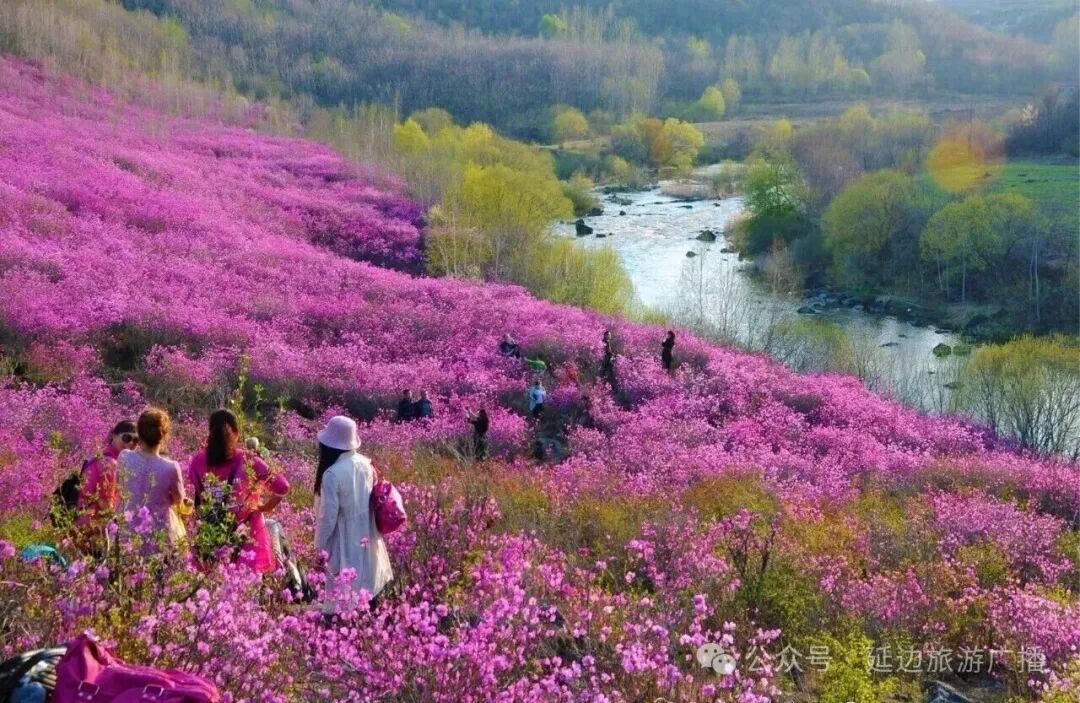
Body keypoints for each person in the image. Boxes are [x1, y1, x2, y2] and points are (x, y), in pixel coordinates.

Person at [188, 409, 289, 573]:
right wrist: (265, 507)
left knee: (212, 583)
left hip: (210, 534)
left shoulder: (197, 461)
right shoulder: (248, 460)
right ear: (236, 432)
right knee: (246, 584)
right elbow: (282, 486)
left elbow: (198, 493)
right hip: (247, 535)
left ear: (210, 432)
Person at [314, 416, 393, 612]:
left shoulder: (332, 474)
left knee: (344, 596)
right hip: (368, 534)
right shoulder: (366, 464)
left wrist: (320, 549)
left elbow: (327, 518)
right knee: (368, 584)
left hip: (344, 538)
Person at [118, 408, 187, 551]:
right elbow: (179, 500)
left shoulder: (124, 457)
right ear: (163, 435)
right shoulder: (171, 467)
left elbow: (120, 485)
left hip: (127, 531)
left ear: (139, 432)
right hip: (159, 535)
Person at [72, 420, 137, 552]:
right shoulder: (110, 464)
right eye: (126, 438)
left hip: (80, 523)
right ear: (114, 435)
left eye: (136, 441)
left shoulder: (101, 457)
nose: (131, 443)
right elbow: (106, 505)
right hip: (93, 528)